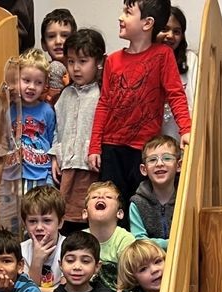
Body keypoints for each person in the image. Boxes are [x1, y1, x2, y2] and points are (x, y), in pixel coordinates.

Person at [88, 0, 191, 225]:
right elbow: (104, 103)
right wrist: (95, 146)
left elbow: (175, 94)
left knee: (138, 206)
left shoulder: (163, 55)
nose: (120, 17)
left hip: (142, 149)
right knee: (112, 205)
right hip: (112, 147)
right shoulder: (113, 60)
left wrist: (186, 130)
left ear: (147, 23)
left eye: (127, 12)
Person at [50, 28, 106, 235]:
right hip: (67, 169)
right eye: (71, 61)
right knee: (65, 220)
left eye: (83, 61)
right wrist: (55, 154)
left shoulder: (101, 94)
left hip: (89, 168)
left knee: (88, 219)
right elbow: (58, 128)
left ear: (98, 62)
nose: (75, 68)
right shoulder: (65, 95)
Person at [10, 48, 58, 192]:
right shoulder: (10, 110)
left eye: (38, 82)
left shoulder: (47, 111)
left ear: (45, 85)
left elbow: (52, 140)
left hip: (42, 174)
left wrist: (51, 167)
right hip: (16, 176)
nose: (31, 87)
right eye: (26, 80)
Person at [128, 135, 180, 250]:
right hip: (150, 263)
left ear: (179, 165)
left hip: (183, 259)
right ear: (144, 169)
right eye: (152, 159)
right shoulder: (137, 203)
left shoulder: (185, 200)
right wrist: (171, 243)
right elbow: (140, 241)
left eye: (167, 158)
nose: (159, 164)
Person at [82, 181, 135, 292]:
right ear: (85, 213)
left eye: (108, 197)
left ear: (119, 213)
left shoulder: (125, 239)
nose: (100, 196)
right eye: (95, 197)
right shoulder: (79, 239)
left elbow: (122, 287)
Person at [159, 6, 198, 138]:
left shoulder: (190, 60)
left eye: (177, 32)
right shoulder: (145, 61)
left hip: (183, 136)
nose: (170, 36)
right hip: (154, 144)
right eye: (164, 29)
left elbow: (195, 101)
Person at [20, 186, 67, 292]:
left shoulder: (69, 247)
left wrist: (38, 290)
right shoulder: (21, 250)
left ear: (60, 222)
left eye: (47, 220)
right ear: (24, 224)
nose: (39, 227)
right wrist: (37, 260)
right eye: (32, 221)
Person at [39, 8, 76, 105]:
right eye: (51, 36)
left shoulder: (82, 73)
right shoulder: (39, 75)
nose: (58, 41)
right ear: (43, 44)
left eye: (64, 35)